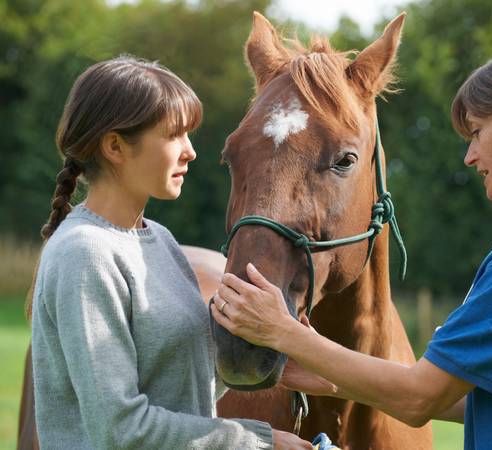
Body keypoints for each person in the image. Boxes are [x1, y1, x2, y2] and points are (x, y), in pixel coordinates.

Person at [211, 37, 492, 449]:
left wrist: (283, 332)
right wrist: (338, 381)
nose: (470, 155)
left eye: (477, 132)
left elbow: (420, 398)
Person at [30, 55, 311, 449]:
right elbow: (120, 431)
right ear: (115, 146)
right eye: (174, 135)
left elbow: (178, 390)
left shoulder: (159, 240)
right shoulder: (85, 254)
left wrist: (278, 366)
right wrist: (259, 442)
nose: (191, 151)